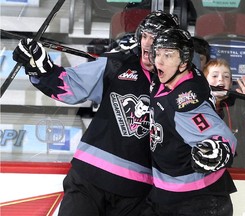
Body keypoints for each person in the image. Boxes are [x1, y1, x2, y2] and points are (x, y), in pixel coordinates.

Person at [12, 10, 180, 216]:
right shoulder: (117, 64)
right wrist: (39, 66)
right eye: (145, 35)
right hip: (89, 180)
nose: (147, 43)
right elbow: (69, 84)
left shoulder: (181, 83)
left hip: (137, 194)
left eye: (154, 39)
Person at [142, 28, 238, 216]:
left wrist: (218, 148)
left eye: (168, 55)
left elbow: (224, 138)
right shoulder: (177, 75)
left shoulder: (185, 101)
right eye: (158, 53)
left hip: (197, 201)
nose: (159, 61)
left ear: (184, 61)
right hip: (166, 195)